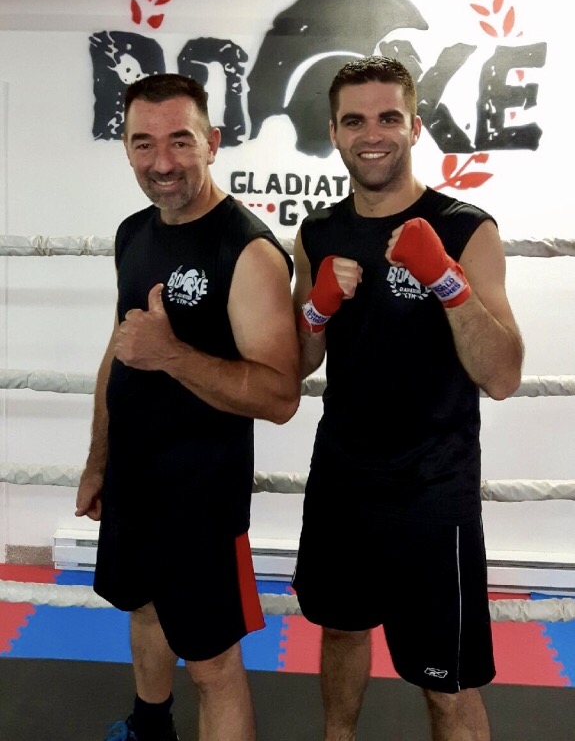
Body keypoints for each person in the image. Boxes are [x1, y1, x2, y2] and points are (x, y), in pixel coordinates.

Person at [292, 56, 523, 741]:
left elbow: (503, 374)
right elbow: (300, 362)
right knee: (340, 627)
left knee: (444, 681)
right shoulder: (318, 232)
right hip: (341, 476)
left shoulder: (464, 227)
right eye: (355, 119)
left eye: (388, 117)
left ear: (414, 126)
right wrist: (317, 307)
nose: (373, 133)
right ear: (333, 132)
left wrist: (446, 280)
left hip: (432, 485)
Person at [75, 73, 300, 741]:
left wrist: (173, 355)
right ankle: (150, 726)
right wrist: (98, 459)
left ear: (213, 141)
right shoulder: (133, 232)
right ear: (124, 146)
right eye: (143, 142)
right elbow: (120, 351)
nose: (162, 161)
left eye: (179, 140)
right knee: (142, 608)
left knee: (213, 665)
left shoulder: (248, 249)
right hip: (134, 481)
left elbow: (280, 396)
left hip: (201, 498)